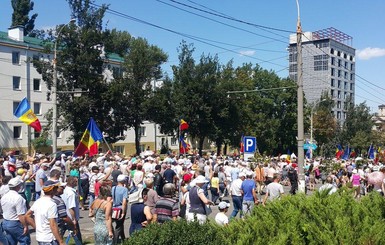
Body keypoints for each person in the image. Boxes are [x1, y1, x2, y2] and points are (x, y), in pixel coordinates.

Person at [25, 180, 64, 245]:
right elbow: (53, 224)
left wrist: (36, 227)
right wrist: (61, 241)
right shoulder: (52, 204)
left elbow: (27, 215)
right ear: (52, 190)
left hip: (40, 237)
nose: (57, 189)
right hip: (49, 238)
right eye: (56, 187)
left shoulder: (38, 201)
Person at [0, 177, 31, 244]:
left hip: (6, 221)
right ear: (18, 186)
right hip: (15, 223)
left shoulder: (4, 196)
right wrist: (25, 226)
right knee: (25, 241)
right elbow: (21, 215)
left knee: (11, 242)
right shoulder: (19, 198)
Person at [60, 176, 82, 244]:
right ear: (73, 182)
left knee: (60, 234)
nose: (77, 183)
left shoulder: (65, 190)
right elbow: (71, 207)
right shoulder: (71, 193)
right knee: (76, 235)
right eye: (76, 182)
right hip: (70, 218)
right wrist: (74, 219)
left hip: (64, 216)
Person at [111, 175, 128, 244]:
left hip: (114, 208)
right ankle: (115, 241)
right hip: (121, 209)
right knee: (119, 226)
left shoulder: (113, 188)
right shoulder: (124, 190)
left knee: (120, 224)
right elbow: (124, 202)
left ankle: (123, 238)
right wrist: (123, 212)